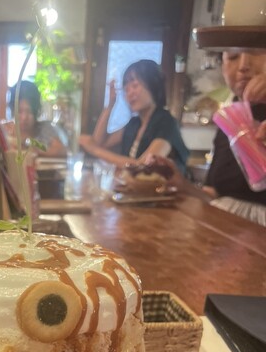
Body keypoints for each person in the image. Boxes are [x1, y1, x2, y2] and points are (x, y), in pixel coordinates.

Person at [156, 50, 266, 225]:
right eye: (233, 56)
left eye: (255, 52)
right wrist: (182, 184)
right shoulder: (228, 120)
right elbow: (214, 196)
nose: (244, 65)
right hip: (226, 229)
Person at [79, 59, 189, 173]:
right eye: (126, 89)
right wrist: (110, 104)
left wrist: (94, 150)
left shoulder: (166, 122)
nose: (129, 93)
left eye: (135, 86)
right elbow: (99, 142)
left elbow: (143, 166)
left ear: (153, 85)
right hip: (134, 184)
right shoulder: (135, 123)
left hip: (164, 185)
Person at [6, 80, 67, 158]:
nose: (24, 117)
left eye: (30, 111)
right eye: (19, 111)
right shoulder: (6, 131)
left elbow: (61, 150)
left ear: (36, 111)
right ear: (12, 110)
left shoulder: (45, 128)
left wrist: (28, 144)